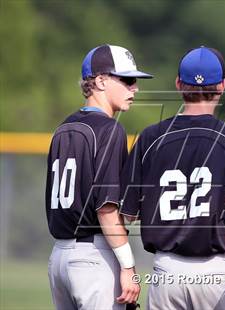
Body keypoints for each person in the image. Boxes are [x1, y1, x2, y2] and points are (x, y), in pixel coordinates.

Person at [120, 46, 225, 310]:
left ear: (178, 84)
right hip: (221, 273)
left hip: (167, 272)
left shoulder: (150, 138)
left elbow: (126, 215)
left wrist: (125, 267)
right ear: (222, 85)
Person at [45, 44, 153, 309]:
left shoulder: (63, 127)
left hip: (59, 257)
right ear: (101, 81)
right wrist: (128, 266)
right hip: (93, 258)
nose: (135, 88)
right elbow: (105, 208)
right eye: (127, 80)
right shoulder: (109, 130)